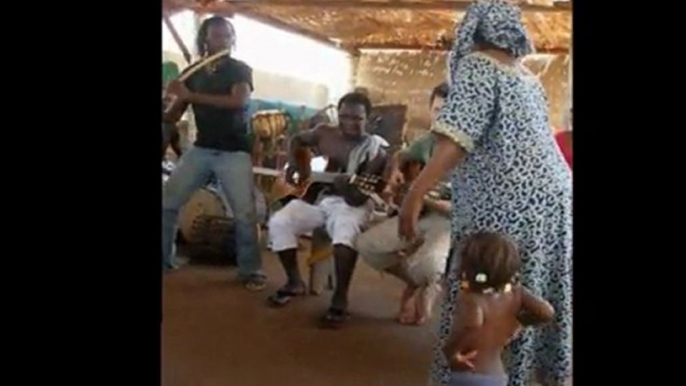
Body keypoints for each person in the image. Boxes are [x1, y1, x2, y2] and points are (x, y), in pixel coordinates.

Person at [396, 2, 572, 386]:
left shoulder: (477, 67)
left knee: (482, 280)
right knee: (528, 283)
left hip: (506, 198)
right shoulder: (528, 77)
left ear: (471, 30)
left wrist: (415, 194)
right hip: (553, 198)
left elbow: (456, 141)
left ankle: (468, 368)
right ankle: (523, 369)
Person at [161, 16, 266, 291]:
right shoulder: (193, 73)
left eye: (227, 35)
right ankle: (164, 259)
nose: (223, 39)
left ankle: (250, 270)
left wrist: (189, 95)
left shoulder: (240, 70)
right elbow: (173, 115)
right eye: (217, 34)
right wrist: (170, 99)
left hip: (234, 151)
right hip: (202, 148)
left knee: (244, 214)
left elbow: (238, 101)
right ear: (205, 39)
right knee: (167, 203)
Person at [266, 92, 387, 328]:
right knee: (280, 221)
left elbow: (358, 198)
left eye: (356, 118)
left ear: (368, 119)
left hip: (353, 203)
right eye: (344, 117)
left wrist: (346, 187)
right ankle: (294, 282)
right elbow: (298, 141)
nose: (349, 123)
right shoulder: (324, 133)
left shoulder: (376, 152)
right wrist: (295, 162)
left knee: (345, 230)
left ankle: (340, 298)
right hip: (321, 199)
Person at [355, 82, 451, 326]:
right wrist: (398, 170)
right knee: (367, 245)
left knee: (431, 264)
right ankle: (415, 282)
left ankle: (426, 282)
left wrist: (420, 197)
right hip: (419, 213)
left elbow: (464, 209)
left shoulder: (471, 150)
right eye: (437, 110)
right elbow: (402, 154)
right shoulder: (427, 141)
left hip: (449, 221)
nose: (443, 116)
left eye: (450, 109)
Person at [443, 232, 554, 386]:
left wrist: (450, 352)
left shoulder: (470, 298)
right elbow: (546, 312)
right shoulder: (517, 292)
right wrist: (519, 322)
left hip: (467, 374)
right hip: (497, 376)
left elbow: (472, 323)